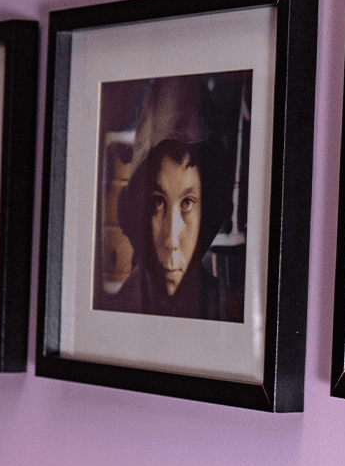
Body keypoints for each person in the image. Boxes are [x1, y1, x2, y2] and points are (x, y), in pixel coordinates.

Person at [103, 76, 243, 322]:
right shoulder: (113, 314)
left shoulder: (227, 312)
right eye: (158, 202)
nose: (170, 239)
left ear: (206, 209)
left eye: (187, 203)